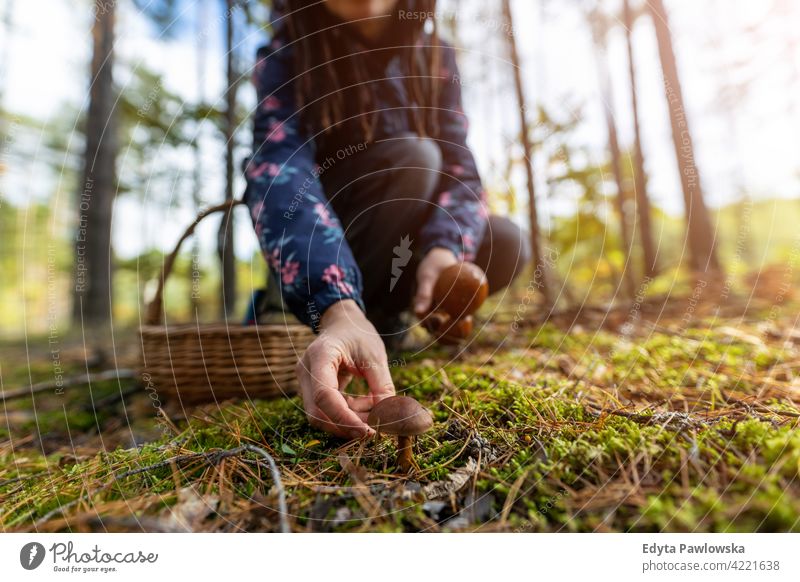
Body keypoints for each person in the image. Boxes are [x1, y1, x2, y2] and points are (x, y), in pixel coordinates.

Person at [243, 0, 529, 439]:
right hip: (331, 247)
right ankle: (328, 316)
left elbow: (462, 169)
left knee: (507, 241)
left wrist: (443, 248)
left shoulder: (435, 56)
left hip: (403, 243)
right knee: (413, 158)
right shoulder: (287, 55)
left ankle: (388, 320)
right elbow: (277, 171)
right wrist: (333, 301)